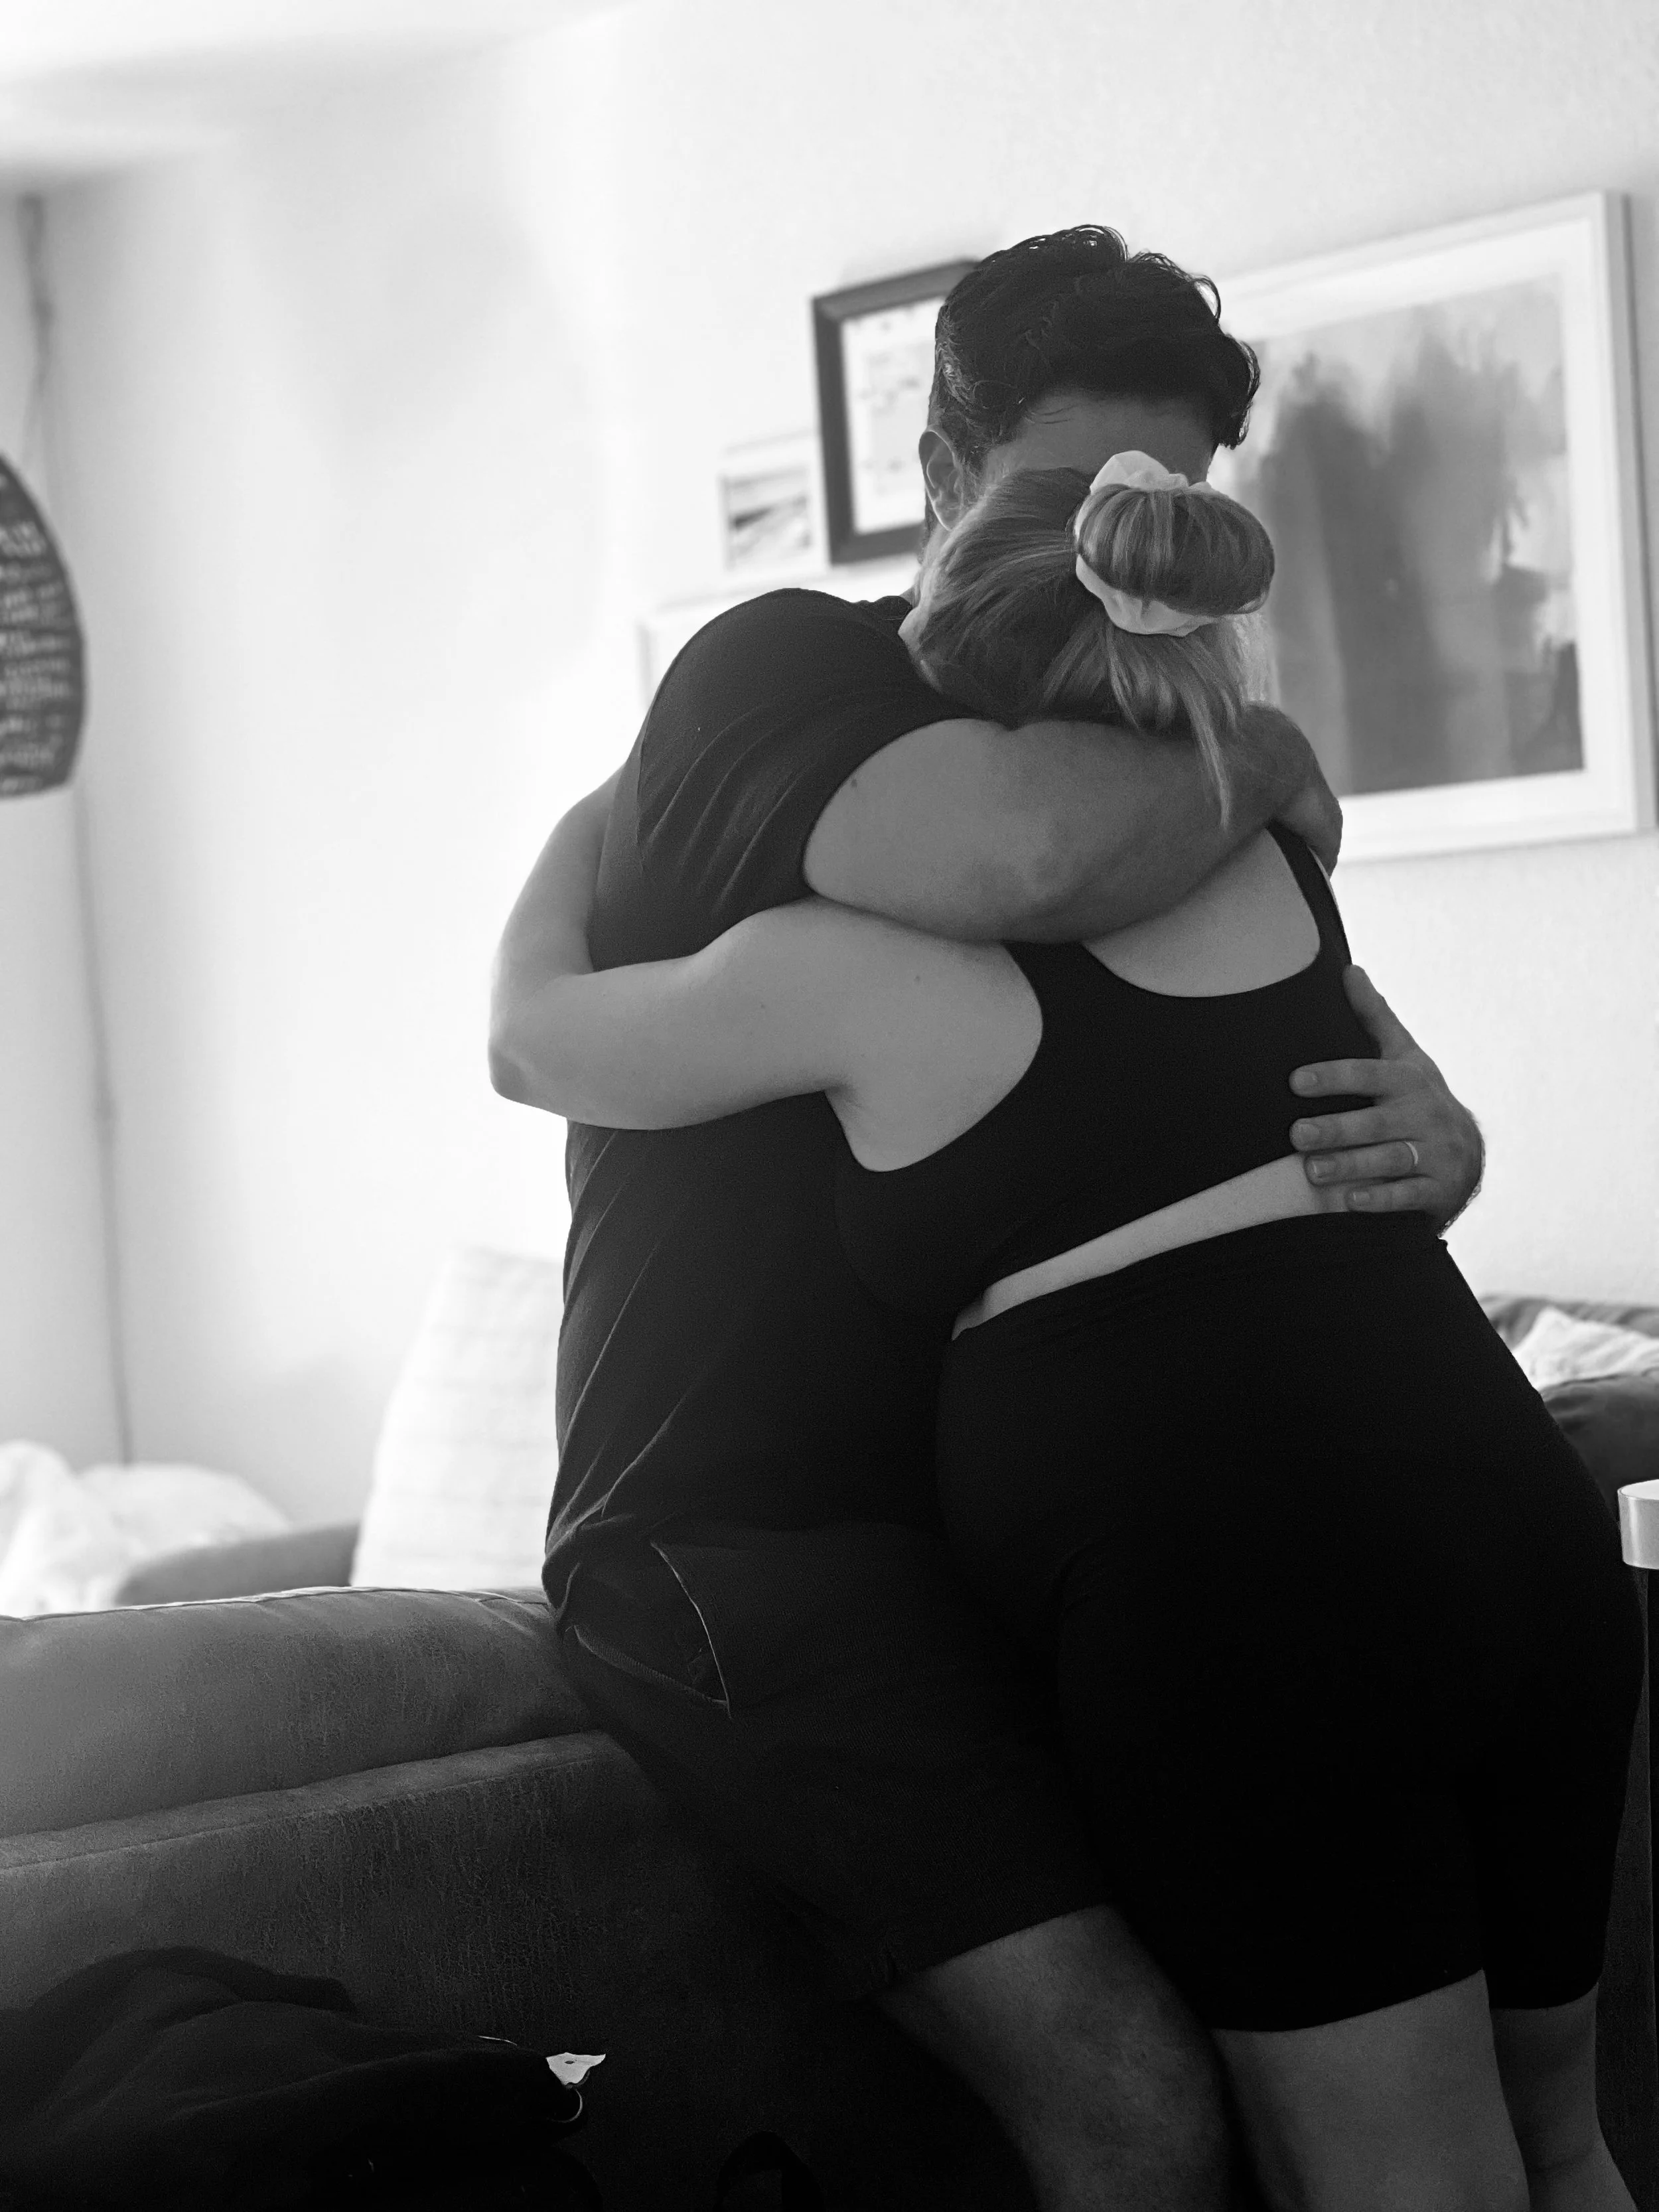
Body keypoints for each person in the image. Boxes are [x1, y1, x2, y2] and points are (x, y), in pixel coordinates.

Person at [503, 443, 1643, 2208]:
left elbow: (537, 1041)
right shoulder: (1276, 861)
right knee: (1558, 2137)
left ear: (940, 685)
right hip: (1508, 1510)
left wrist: (620, 802)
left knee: (1400, 2177)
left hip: (1251, 1579)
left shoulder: (854, 964)